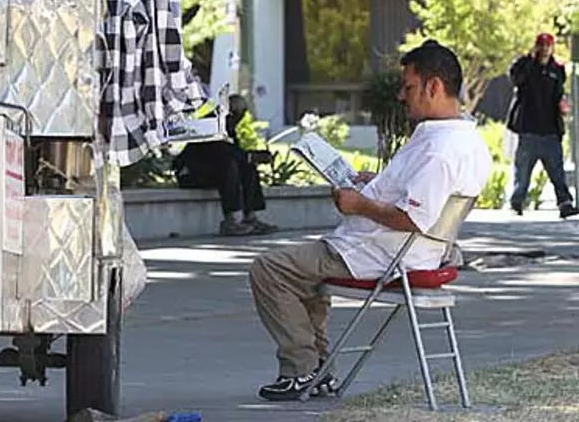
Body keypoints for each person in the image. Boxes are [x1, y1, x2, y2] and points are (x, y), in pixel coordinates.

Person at [247, 40, 492, 401]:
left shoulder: (439, 149)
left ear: (434, 86)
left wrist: (359, 204)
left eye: (408, 87)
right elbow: (418, 196)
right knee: (303, 275)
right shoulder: (466, 140)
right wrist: (371, 185)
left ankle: (302, 370)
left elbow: (413, 217)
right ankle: (317, 371)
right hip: (410, 251)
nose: (401, 95)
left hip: (383, 253)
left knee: (270, 270)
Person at [173, 95, 277, 236]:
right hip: (191, 174)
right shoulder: (211, 125)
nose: (238, 120)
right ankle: (231, 221)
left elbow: (235, 153)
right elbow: (222, 152)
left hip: (209, 172)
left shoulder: (227, 126)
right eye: (238, 115)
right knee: (229, 165)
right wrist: (251, 156)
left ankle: (250, 218)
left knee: (247, 166)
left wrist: (252, 157)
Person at [506, 33, 579, 219]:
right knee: (522, 172)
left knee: (557, 171)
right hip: (528, 128)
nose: (545, 49)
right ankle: (517, 202)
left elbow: (559, 93)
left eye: (548, 45)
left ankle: (565, 203)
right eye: (542, 45)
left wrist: (563, 105)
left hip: (550, 130)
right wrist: (529, 61)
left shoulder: (557, 69)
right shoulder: (526, 66)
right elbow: (515, 78)